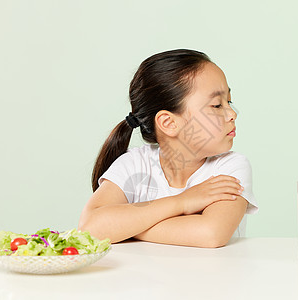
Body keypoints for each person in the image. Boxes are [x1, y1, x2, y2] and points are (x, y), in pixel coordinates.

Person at [78, 49, 258, 248]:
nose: (232, 113)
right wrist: (182, 202)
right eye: (216, 105)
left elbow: (211, 233)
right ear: (169, 123)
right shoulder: (134, 165)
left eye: (229, 101)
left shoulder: (230, 167)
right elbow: (90, 228)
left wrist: (126, 228)